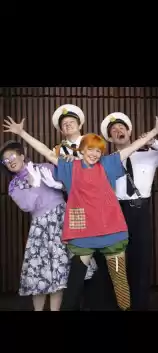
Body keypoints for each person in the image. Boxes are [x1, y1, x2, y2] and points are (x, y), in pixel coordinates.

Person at [3, 115, 158, 311]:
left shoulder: (108, 164)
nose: (94, 153)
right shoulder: (70, 168)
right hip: (84, 235)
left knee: (120, 281)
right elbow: (46, 152)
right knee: (75, 282)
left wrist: (155, 131)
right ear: (82, 150)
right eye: (90, 149)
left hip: (112, 233)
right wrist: (22, 133)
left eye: (98, 150)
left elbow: (133, 147)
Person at [0, 140, 95, 310]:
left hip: (62, 220)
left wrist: (58, 184)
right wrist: (33, 185)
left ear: (22, 155)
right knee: (40, 274)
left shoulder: (44, 167)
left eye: (12, 156)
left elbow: (71, 183)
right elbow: (27, 206)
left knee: (59, 273)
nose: (10, 161)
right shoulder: (14, 185)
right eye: (5, 160)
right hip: (41, 227)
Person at [100, 112, 158, 310]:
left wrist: (154, 141)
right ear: (110, 138)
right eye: (113, 130)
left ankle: (140, 306)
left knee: (141, 260)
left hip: (140, 212)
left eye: (121, 128)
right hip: (116, 212)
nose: (118, 131)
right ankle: (118, 305)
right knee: (116, 261)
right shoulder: (108, 160)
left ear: (129, 132)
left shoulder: (148, 155)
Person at [52, 104, 115, 310]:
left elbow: (103, 169)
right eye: (64, 124)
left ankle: (101, 305)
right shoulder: (57, 151)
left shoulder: (92, 142)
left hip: (99, 206)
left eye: (71, 122)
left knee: (103, 256)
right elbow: (57, 180)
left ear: (80, 124)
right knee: (79, 260)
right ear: (61, 130)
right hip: (75, 207)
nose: (68, 125)